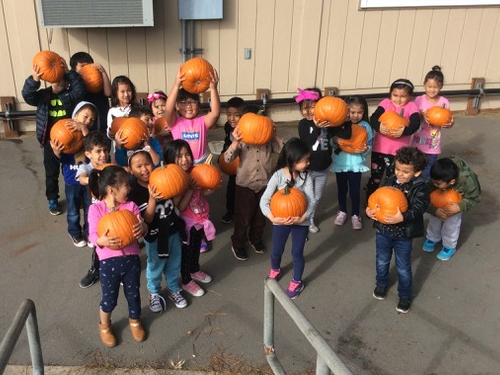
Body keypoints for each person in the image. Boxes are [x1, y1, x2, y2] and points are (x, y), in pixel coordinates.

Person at [87, 165, 148, 347]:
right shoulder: (96, 210)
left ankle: (135, 320)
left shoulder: (131, 206)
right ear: (112, 190)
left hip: (131, 260)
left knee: (133, 294)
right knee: (109, 299)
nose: (129, 188)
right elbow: (91, 235)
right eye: (126, 186)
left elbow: (142, 228)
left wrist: (142, 228)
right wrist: (101, 240)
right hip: (108, 264)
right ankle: (104, 326)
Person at [366, 147, 429, 314]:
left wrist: (404, 217)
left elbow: (420, 207)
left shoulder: (420, 186)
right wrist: (370, 210)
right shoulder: (390, 180)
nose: (400, 174)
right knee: (382, 260)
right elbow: (378, 199)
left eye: (405, 171)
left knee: (403, 266)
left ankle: (405, 295)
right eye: (397, 169)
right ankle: (381, 283)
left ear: (416, 172)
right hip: (383, 231)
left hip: (403, 234)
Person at [21, 56, 86, 215]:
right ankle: (52, 199)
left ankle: (78, 196)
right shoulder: (43, 96)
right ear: (48, 80)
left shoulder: (71, 95)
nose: (58, 82)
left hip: (74, 141)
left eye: (61, 79)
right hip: (51, 142)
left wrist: (67, 72)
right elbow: (27, 96)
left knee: (77, 169)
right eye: (54, 79)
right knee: (51, 173)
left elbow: (80, 89)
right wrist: (34, 79)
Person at [127, 150, 188, 312]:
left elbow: (173, 204)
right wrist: (152, 199)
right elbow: (147, 219)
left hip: (173, 230)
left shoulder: (163, 179)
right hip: (154, 236)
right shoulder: (135, 193)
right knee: (155, 265)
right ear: (131, 170)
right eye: (138, 166)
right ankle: (154, 292)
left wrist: (181, 190)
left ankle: (173, 288)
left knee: (174, 263)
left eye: (147, 164)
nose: (144, 169)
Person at [224, 113, 285, 261]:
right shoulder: (243, 142)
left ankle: (255, 239)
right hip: (245, 185)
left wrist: (275, 134)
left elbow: (285, 150)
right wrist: (235, 141)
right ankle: (238, 244)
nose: (258, 129)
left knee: (260, 218)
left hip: (264, 185)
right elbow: (227, 158)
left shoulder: (269, 141)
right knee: (243, 218)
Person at [260, 138, 314, 299]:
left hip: (301, 222)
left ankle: (297, 281)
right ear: (293, 161)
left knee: (297, 253)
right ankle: (275, 269)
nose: (308, 163)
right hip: (280, 221)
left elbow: (311, 201)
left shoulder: (306, 178)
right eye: (305, 160)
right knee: (276, 250)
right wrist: (274, 218)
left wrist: (302, 218)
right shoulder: (277, 176)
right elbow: (264, 201)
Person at [296, 88, 351, 233]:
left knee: (316, 197)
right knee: (307, 196)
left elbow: (346, 134)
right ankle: (305, 219)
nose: (309, 111)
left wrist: (346, 120)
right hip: (307, 168)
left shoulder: (329, 124)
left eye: (312, 107)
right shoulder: (303, 124)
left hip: (323, 169)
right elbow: (306, 142)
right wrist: (316, 127)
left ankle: (310, 218)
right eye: (305, 108)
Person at [163, 140, 214, 297]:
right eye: (179, 156)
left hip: (200, 219)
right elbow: (180, 207)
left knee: (197, 247)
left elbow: (203, 193)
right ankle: (186, 280)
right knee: (186, 252)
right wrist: (190, 189)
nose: (185, 159)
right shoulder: (174, 180)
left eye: (187, 155)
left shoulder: (195, 172)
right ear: (171, 159)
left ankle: (194, 270)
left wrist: (210, 180)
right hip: (186, 224)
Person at [365, 79, 420, 201]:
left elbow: (416, 124)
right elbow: (374, 118)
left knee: (394, 178)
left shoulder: (411, 106)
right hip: (380, 149)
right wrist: (379, 127)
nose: (398, 99)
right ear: (390, 94)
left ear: (409, 96)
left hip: (398, 153)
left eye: (403, 96)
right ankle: (371, 199)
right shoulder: (385, 104)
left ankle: (391, 201)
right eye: (395, 95)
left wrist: (405, 131)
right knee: (376, 176)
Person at [50, 101, 96, 247]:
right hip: (72, 181)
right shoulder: (64, 133)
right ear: (75, 116)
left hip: (88, 180)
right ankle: (74, 233)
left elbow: (91, 145)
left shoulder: (89, 136)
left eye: (91, 119)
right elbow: (59, 160)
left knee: (90, 209)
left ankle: (90, 233)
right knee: (73, 210)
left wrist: (83, 129)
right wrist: (56, 152)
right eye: (85, 117)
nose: (88, 121)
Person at [423, 157, 481, 261]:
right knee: (434, 219)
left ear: (452, 181)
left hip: (456, 203)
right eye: (433, 182)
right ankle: (432, 237)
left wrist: (459, 206)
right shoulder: (435, 177)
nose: (434, 184)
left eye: (437, 184)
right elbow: (423, 196)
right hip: (437, 200)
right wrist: (434, 209)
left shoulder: (467, 181)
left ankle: (449, 245)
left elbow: (474, 198)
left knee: (451, 225)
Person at [331, 95, 373, 230]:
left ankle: (356, 214)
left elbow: (369, 145)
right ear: (345, 111)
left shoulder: (366, 127)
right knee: (341, 190)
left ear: (364, 112)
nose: (355, 116)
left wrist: (365, 149)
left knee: (355, 191)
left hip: (356, 165)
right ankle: (342, 211)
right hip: (341, 164)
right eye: (352, 112)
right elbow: (332, 144)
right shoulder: (340, 125)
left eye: (359, 112)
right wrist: (335, 141)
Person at [164, 66, 221, 165]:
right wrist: (176, 85)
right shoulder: (175, 122)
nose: (189, 106)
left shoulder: (202, 121)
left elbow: (215, 113)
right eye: (184, 102)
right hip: (181, 163)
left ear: (198, 105)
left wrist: (213, 89)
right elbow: (168, 110)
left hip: (201, 163)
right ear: (176, 106)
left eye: (193, 102)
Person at [76, 131, 111, 288]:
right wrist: (95, 178)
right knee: (98, 244)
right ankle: (95, 269)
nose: (103, 154)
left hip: (113, 211)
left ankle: (120, 271)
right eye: (98, 151)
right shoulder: (86, 167)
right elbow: (81, 178)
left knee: (118, 238)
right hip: (97, 213)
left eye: (105, 150)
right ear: (88, 154)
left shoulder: (111, 166)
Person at [411, 66, 455, 179]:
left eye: (436, 87)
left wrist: (450, 124)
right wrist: (421, 115)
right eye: (429, 86)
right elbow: (413, 118)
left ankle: (424, 191)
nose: (432, 90)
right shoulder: (419, 100)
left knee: (427, 171)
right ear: (424, 84)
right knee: (413, 169)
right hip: (417, 143)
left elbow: (446, 119)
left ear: (441, 87)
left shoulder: (443, 102)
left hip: (433, 145)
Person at [70, 52, 112, 141]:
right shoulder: (75, 86)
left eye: (89, 65)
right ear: (75, 69)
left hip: (101, 126)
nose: (87, 68)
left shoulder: (98, 80)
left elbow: (108, 93)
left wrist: (102, 72)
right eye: (82, 66)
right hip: (83, 127)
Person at [220, 96, 245, 224]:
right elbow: (227, 142)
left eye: (236, 115)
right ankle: (230, 211)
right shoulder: (227, 126)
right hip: (232, 164)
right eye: (229, 114)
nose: (232, 118)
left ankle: (241, 213)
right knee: (231, 189)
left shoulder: (247, 129)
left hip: (244, 165)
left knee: (242, 193)